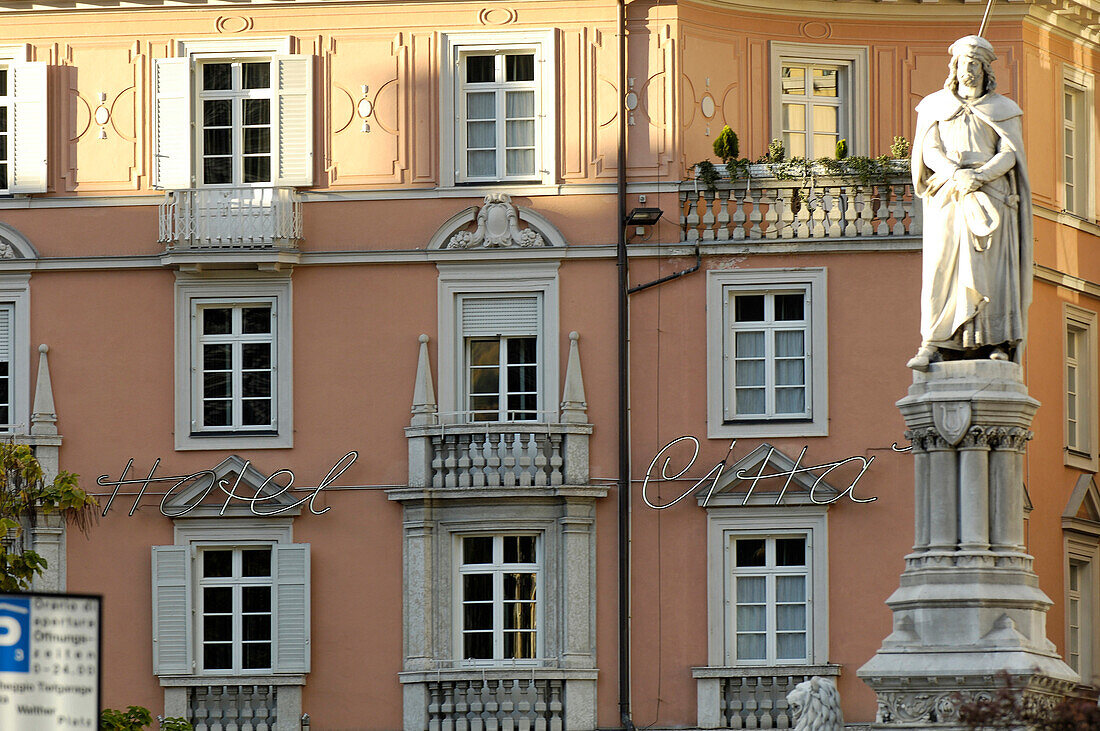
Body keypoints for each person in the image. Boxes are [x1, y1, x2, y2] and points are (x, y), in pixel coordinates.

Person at [907, 35, 1032, 371]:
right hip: (948, 195)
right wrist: (955, 174)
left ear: (985, 70)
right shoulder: (934, 106)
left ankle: (993, 341)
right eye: (964, 65)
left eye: (975, 65)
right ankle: (935, 342)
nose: (969, 72)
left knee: (989, 274)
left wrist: (980, 175)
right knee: (942, 269)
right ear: (954, 69)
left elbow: (1010, 154)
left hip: (991, 196)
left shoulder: (1003, 110)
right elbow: (928, 149)